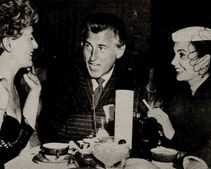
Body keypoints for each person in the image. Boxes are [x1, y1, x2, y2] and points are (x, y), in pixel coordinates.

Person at [38, 12, 148, 143]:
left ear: (120, 50)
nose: (92, 57)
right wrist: (111, 113)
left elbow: (136, 135)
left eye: (101, 48)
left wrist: (77, 120)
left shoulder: (132, 82)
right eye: (88, 46)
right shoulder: (63, 76)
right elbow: (51, 130)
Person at [148, 26, 211, 168]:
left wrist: (169, 129)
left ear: (204, 60)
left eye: (181, 55)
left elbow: (206, 148)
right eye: (175, 54)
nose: (173, 62)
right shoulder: (179, 95)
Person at [0, 0, 41, 168]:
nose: (35, 45)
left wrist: (34, 94)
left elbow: (19, 144)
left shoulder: (21, 84)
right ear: (8, 44)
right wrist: (0, 103)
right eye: (30, 38)